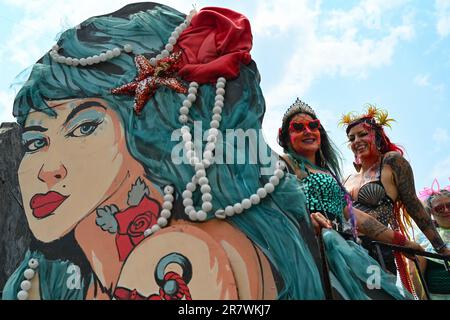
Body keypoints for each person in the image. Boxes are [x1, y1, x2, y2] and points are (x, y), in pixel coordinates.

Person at [2, 2, 334, 300]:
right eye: (35, 142)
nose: (48, 169)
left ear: (142, 129)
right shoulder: (41, 279)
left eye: (84, 127)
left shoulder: (211, 255)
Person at [277, 98, 421, 299]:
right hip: (310, 252)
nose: (307, 131)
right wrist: (302, 219)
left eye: (313, 126)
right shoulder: (283, 163)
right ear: (284, 136)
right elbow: (272, 203)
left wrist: (403, 242)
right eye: (298, 127)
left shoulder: (329, 174)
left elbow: (356, 217)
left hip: (349, 252)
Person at [340, 105, 449, 287]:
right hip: (345, 248)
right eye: (351, 138)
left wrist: (441, 247)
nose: (356, 140)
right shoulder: (347, 178)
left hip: (377, 250)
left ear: (378, 137)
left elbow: (413, 205)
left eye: (363, 134)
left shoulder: (391, 162)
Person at [409, 184, 450, 299]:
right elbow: (415, 274)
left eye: (449, 205)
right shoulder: (422, 239)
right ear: (431, 212)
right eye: (439, 208)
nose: (446, 210)